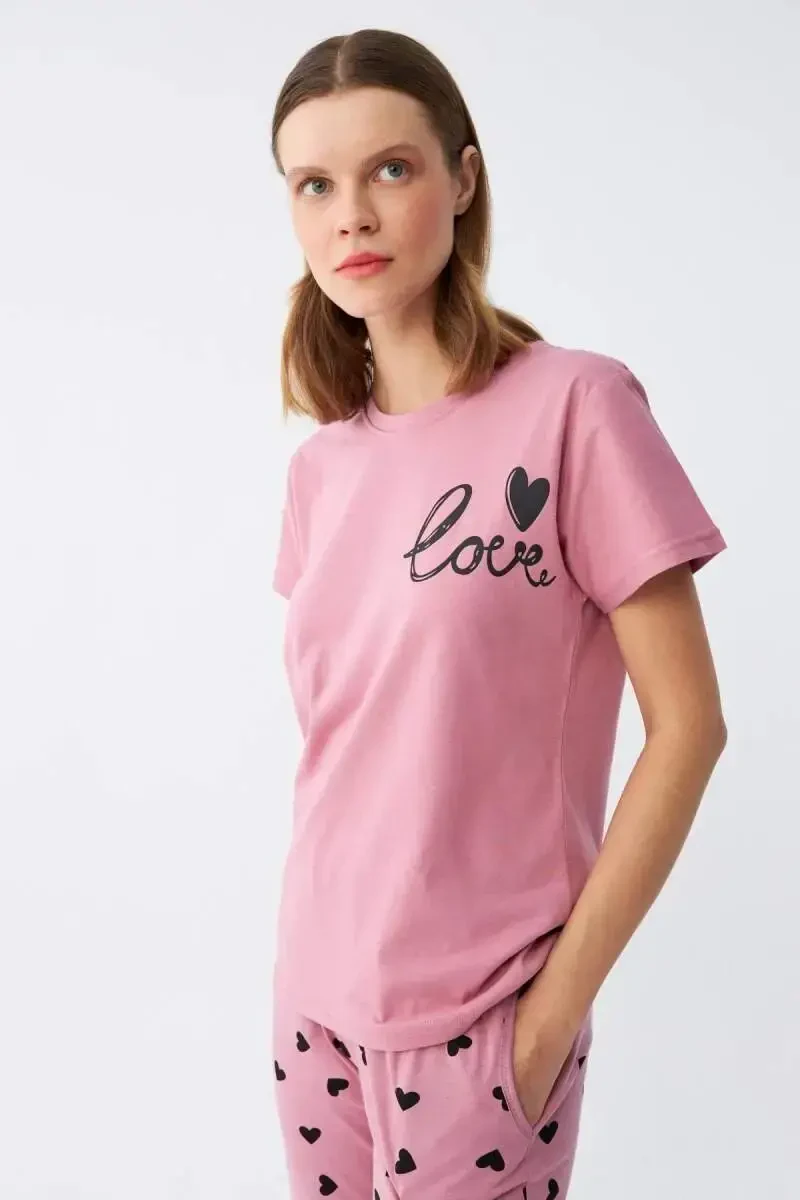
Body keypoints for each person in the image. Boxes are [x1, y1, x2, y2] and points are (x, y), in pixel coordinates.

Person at [268, 27, 728, 1200]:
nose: (351, 216)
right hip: (314, 1004)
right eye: (313, 184)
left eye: (390, 169)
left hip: (484, 1021)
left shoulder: (577, 408)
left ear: (462, 178)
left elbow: (688, 728)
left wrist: (547, 1017)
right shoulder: (320, 470)